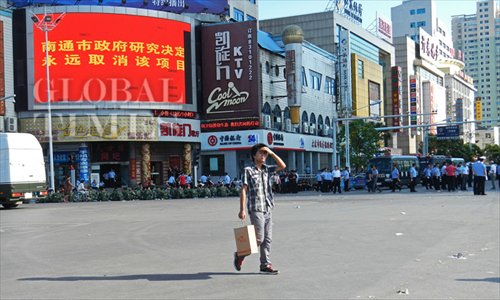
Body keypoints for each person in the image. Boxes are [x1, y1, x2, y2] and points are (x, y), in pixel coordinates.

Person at [234, 143, 286, 274]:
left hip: (267, 207)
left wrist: (272, 153)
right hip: (256, 207)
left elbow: (282, 166)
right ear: (254, 155)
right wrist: (242, 209)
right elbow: (244, 190)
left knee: (268, 239)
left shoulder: (267, 169)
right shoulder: (248, 170)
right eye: (261, 152)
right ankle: (240, 254)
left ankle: (265, 264)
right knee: (259, 239)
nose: (264, 155)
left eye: (265, 153)